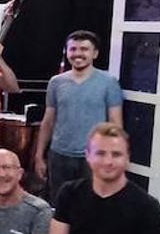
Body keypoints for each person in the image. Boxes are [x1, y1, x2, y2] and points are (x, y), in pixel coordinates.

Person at [33, 30, 123, 202]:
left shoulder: (108, 83)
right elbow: (48, 122)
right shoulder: (56, 82)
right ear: (67, 52)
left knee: (92, 205)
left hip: (94, 156)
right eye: (73, 49)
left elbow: (115, 123)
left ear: (95, 53)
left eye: (84, 49)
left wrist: (114, 156)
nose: (78, 54)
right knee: (60, 204)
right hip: (59, 156)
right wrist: (39, 156)